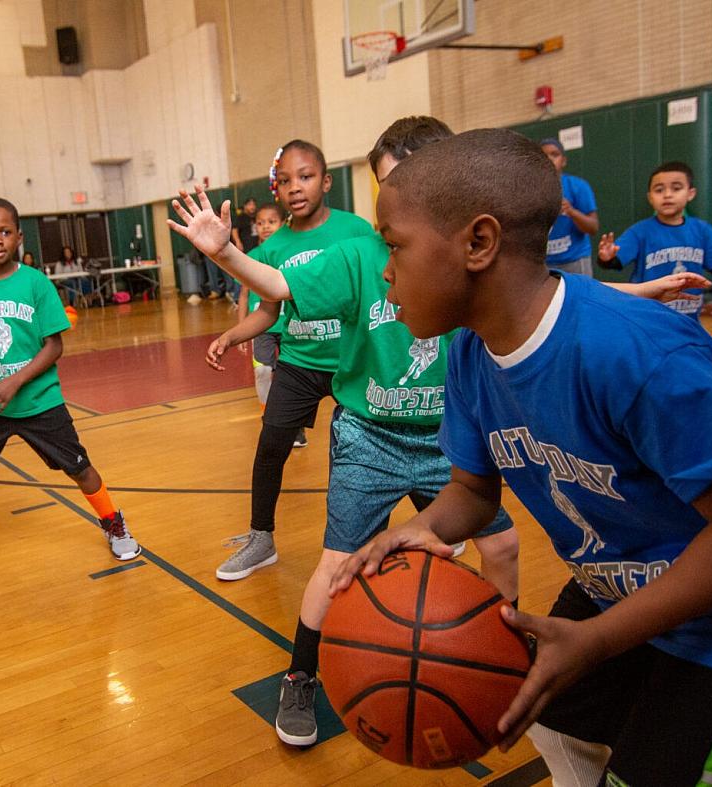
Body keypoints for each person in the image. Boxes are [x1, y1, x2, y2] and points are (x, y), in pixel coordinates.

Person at [329, 129, 712, 787]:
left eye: (394, 244)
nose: (385, 269)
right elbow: (473, 490)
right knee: (549, 718)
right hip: (623, 582)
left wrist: (600, 640)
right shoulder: (469, 353)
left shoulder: (633, 356)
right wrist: (422, 527)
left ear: (478, 243)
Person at [175, 118, 525, 746]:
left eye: (400, 183)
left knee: (500, 547)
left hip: (450, 437)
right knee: (338, 564)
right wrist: (226, 253)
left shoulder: (475, 252)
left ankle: (498, 658)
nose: (389, 200)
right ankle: (300, 676)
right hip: (371, 436)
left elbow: (545, 298)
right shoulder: (362, 251)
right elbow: (279, 287)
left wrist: (635, 294)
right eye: (383, 186)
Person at [0, 197, 141, 600]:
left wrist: (14, 382)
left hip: (39, 401)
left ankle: (113, 522)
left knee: (79, 468)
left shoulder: (36, 283)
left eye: (4, 232)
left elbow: (53, 346)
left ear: (19, 236)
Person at [171, 140, 375, 582]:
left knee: (377, 449)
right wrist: (230, 334)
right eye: (284, 181)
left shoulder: (357, 230)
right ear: (276, 190)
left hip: (353, 362)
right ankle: (261, 538)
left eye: (304, 177)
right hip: (299, 363)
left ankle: (432, 519)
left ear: (325, 181)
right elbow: (269, 309)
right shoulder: (272, 247)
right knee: (270, 449)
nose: (295, 188)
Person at [597, 160, 712, 317]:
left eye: (676, 188)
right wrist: (607, 257)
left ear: (690, 193)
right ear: (650, 197)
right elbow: (616, 261)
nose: (667, 195)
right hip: (649, 313)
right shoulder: (640, 231)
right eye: (659, 190)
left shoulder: (702, 230)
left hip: (688, 315)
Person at [235, 203, 286, 406]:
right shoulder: (251, 257)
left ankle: (294, 425)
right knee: (263, 370)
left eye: (272, 222)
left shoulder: (289, 253)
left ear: (283, 224)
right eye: (260, 223)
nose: (266, 227)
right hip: (262, 326)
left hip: (290, 326)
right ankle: (270, 413)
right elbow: (244, 296)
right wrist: (241, 332)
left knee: (290, 377)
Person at [540, 138, 599, 275]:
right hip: (544, 264)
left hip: (575, 259)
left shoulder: (578, 186)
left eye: (554, 154)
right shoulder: (529, 190)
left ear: (564, 161)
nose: (549, 159)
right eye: (543, 156)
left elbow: (593, 227)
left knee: (582, 296)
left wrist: (571, 211)